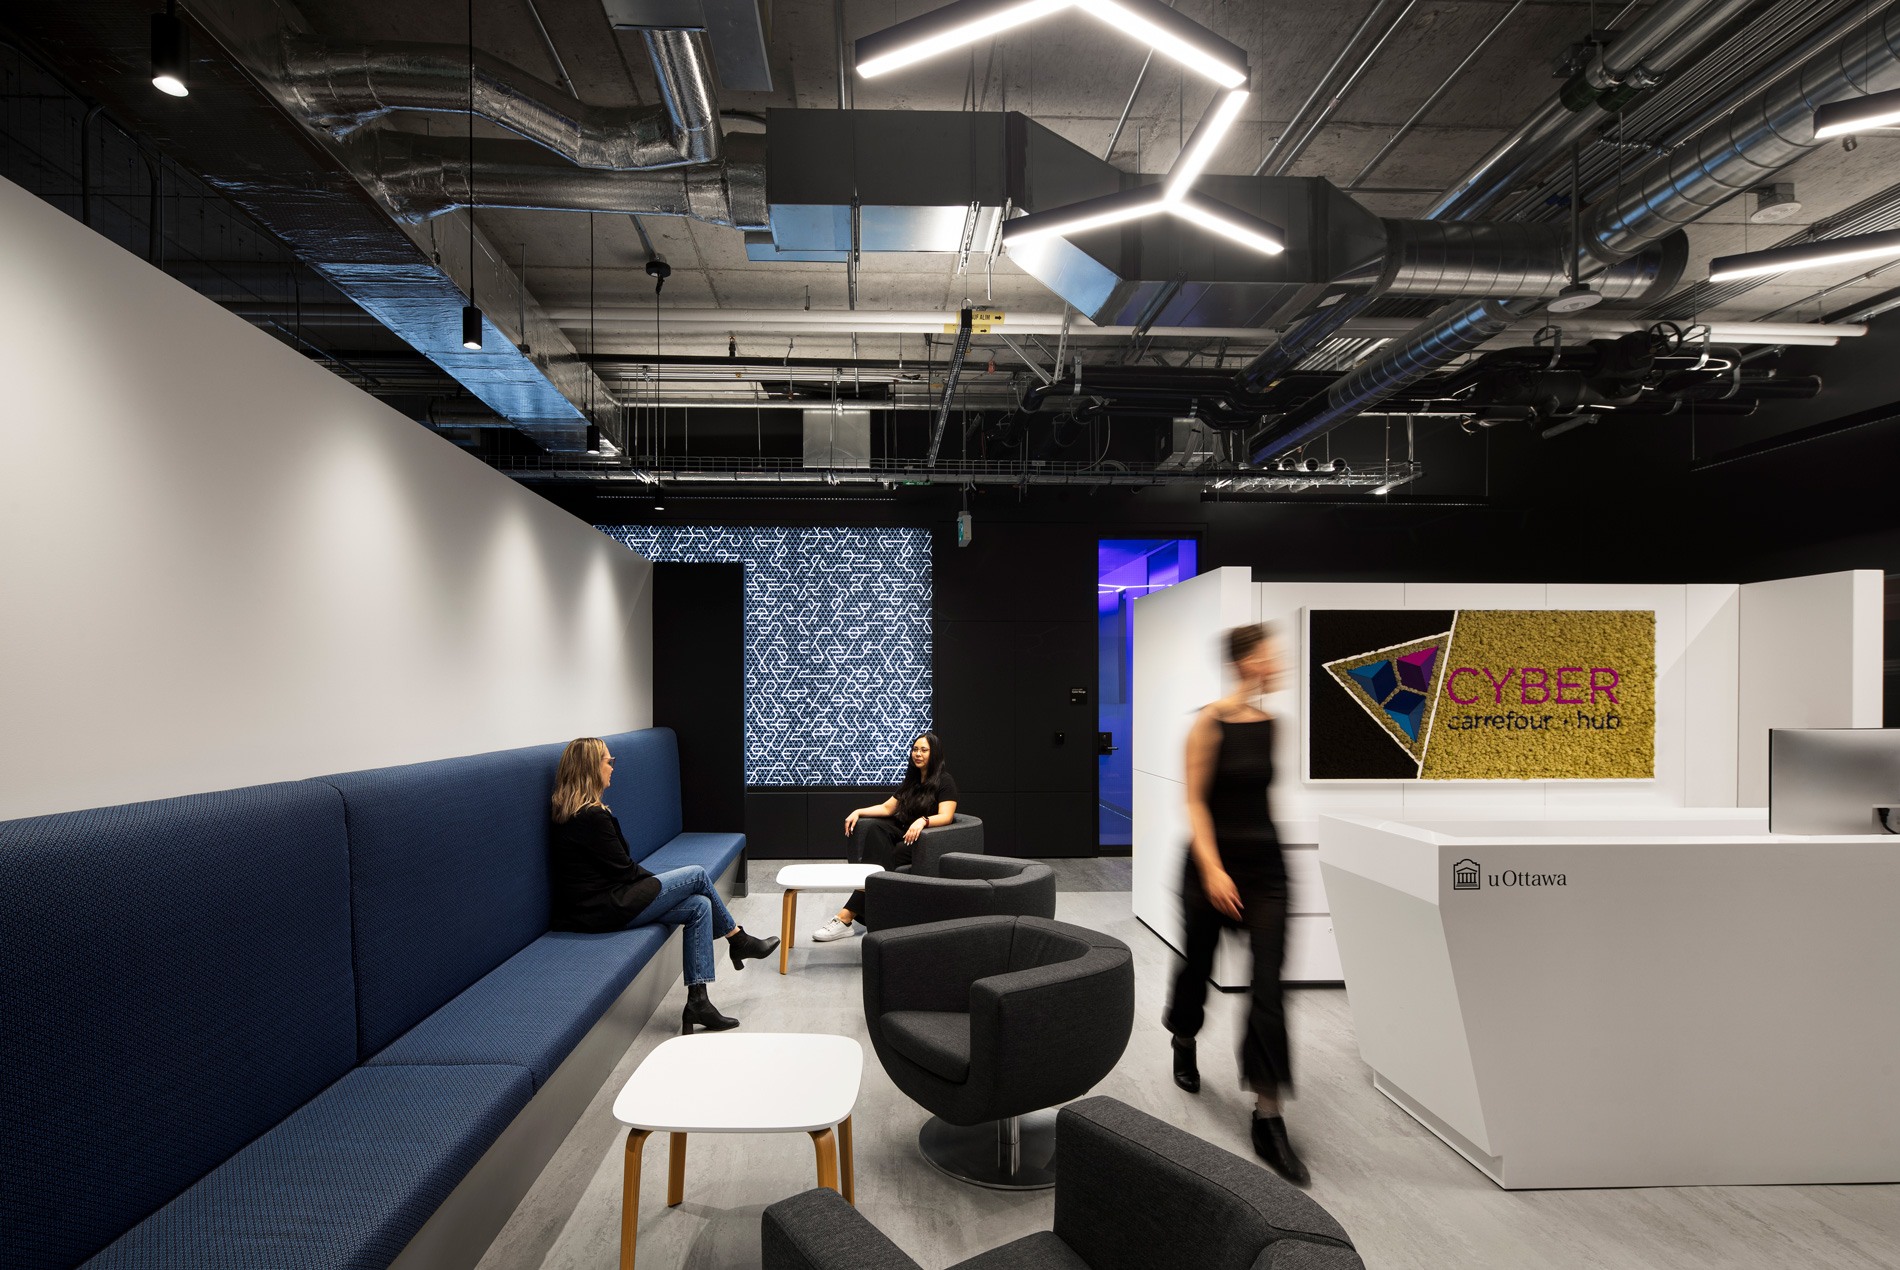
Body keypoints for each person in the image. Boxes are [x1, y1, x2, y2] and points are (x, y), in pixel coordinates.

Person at [1162, 623, 1309, 1185]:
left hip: (1267, 870)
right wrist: (1214, 869)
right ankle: (1183, 1033)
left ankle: (1268, 1116)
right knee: (1196, 968)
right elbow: (1196, 803)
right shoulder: (1208, 723)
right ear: (1247, 662)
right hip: (1210, 869)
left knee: (1269, 989)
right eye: (1271, 656)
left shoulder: (1274, 726)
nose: (1279, 664)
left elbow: (1260, 799)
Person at [548, 737, 778, 1033]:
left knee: (699, 905)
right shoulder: (591, 816)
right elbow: (624, 872)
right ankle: (738, 940)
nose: (612, 768)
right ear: (591, 768)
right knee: (696, 875)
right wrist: (662, 883)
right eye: (608, 761)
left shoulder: (575, 812)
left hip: (601, 902)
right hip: (602, 908)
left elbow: (619, 869)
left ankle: (699, 1002)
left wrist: (660, 884)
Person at [811, 731, 959, 941]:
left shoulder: (945, 781)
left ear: (934, 754)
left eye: (924, 750)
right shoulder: (912, 779)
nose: (918, 754)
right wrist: (859, 811)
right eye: (915, 749)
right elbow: (888, 808)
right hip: (904, 832)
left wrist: (923, 820)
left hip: (925, 840)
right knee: (876, 831)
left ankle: (846, 917)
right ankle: (877, 912)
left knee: (888, 856)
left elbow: (946, 816)